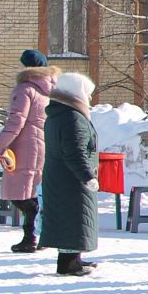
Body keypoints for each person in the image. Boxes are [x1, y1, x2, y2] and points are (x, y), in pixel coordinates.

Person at [0, 49, 54, 253]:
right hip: (41, 143)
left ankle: (32, 237)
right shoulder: (49, 89)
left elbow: (16, 121)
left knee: (20, 194)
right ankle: (40, 234)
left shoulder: (25, 89)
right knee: (32, 191)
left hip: (24, 146)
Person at [39, 72, 100, 277]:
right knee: (73, 217)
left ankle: (74, 258)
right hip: (70, 178)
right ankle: (69, 264)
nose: (89, 99)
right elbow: (74, 152)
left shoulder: (58, 114)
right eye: (87, 94)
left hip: (60, 176)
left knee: (69, 217)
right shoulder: (73, 117)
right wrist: (87, 176)